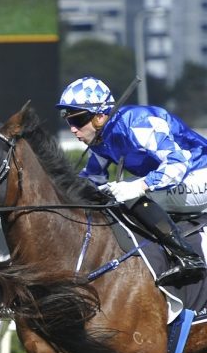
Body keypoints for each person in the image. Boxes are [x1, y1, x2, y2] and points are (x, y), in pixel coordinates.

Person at [57, 76, 207, 286]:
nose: (73, 129)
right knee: (112, 194)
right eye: (69, 121)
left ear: (100, 116)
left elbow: (177, 164)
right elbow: (91, 179)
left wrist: (140, 186)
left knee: (128, 195)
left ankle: (188, 258)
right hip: (180, 181)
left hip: (198, 174)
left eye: (78, 120)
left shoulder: (138, 123)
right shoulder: (101, 139)